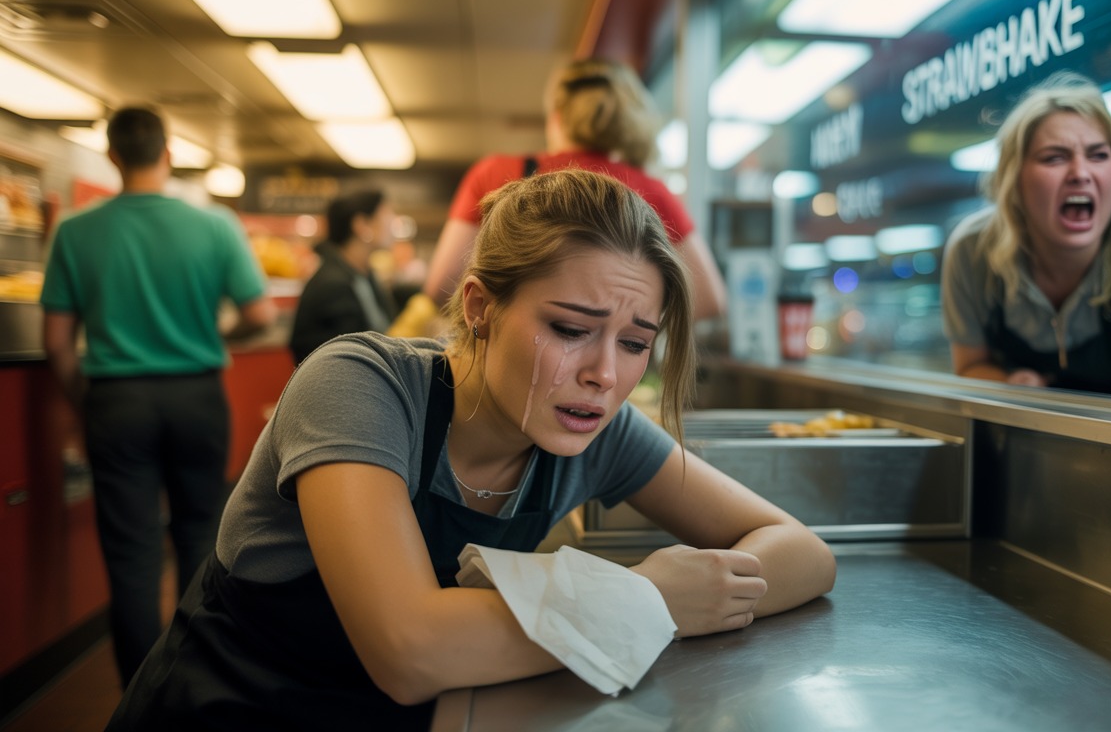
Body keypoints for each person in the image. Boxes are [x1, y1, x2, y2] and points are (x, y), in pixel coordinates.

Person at [107, 169, 835, 730]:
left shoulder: (593, 425)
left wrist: (652, 605)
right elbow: (409, 650)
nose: (605, 374)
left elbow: (803, 554)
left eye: (636, 343)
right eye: (570, 328)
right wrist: (644, 600)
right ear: (482, 307)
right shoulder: (360, 385)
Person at [39, 106, 276, 687]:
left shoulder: (75, 229)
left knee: (132, 558)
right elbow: (261, 315)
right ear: (168, 152)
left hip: (116, 402)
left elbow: (56, 342)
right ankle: (194, 688)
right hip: (196, 397)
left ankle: (137, 703)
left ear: (113, 156)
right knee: (201, 540)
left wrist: (86, 399)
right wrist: (208, 335)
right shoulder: (215, 225)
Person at [390, 57, 727, 336]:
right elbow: (708, 300)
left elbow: (441, 287)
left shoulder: (497, 172)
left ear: (557, 118)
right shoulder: (652, 191)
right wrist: (627, 332)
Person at [940, 72, 1111, 401]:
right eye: (1054, 157)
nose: (1080, 174)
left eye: (1098, 155)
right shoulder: (973, 249)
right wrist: (1009, 384)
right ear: (1015, 180)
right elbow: (969, 369)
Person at [289, 189, 397, 363]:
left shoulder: (363, 275)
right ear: (362, 225)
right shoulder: (332, 286)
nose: (394, 224)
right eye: (388, 215)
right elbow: (351, 360)